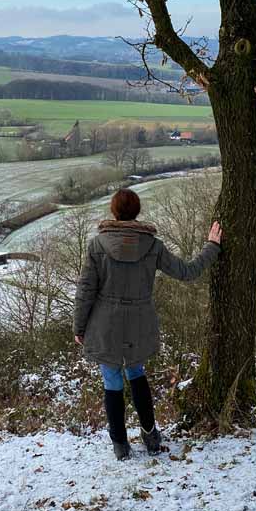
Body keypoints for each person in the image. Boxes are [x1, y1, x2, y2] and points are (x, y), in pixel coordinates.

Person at [74, 187, 222, 460]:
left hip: (105, 324)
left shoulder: (97, 246)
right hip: (140, 323)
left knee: (112, 381)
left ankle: (120, 445)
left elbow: (86, 290)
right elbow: (187, 272)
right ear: (137, 211)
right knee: (137, 374)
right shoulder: (153, 246)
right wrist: (212, 246)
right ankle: (150, 435)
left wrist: (79, 327)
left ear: (114, 211)